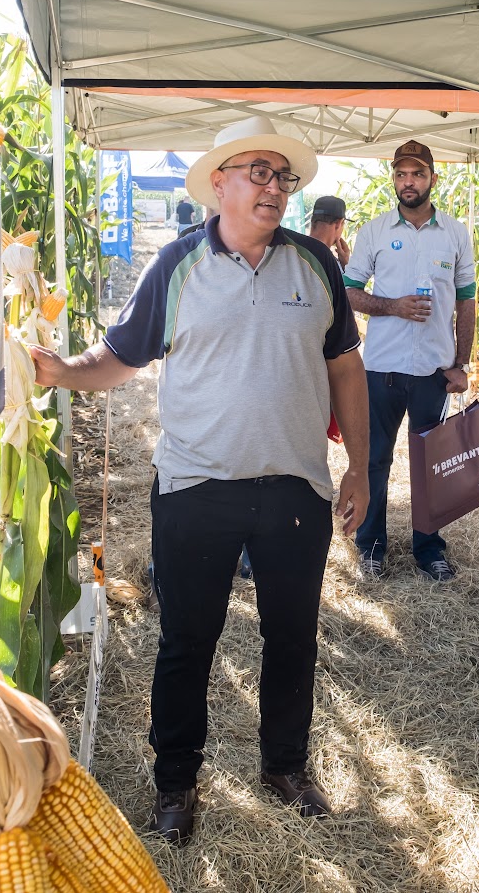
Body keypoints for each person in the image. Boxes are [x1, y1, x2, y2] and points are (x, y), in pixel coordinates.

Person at [29, 116, 369, 844]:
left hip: (295, 489)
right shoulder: (177, 264)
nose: (274, 188)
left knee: (292, 637)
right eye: (259, 172)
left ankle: (284, 766)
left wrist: (361, 469)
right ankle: (176, 784)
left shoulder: (316, 263)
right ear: (219, 183)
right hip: (194, 488)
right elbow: (121, 355)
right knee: (187, 639)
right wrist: (62, 371)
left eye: (284, 177)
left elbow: (345, 365)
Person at [343, 140, 477, 582]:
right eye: (401, 174)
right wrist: (392, 306)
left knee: (431, 463)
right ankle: (371, 547)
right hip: (381, 368)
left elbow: (466, 302)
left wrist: (461, 363)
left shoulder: (455, 232)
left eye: (417, 175)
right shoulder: (375, 231)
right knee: (375, 459)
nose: (408, 182)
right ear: (394, 179)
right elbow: (350, 292)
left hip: (433, 373)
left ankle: (430, 549)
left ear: (433, 179)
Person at [307, 194, 352, 268]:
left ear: (312, 220)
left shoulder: (296, 250)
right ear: (339, 223)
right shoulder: (329, 262)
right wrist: (346, 265)